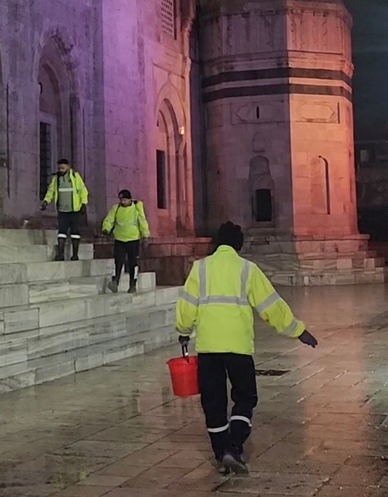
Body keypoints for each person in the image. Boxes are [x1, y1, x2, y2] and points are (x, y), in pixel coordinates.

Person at [175, 222, 318, 475]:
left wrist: (184, 331)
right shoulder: (247, 270)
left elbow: (186, 306)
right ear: (239, 244)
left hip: (208, 347)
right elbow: (271, 305)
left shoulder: (200, 268)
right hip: (238, 347)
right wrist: (297, 330)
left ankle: (220, 453)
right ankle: (234, 447)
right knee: (244, 397)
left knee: (213, 402)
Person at [102, 189, 150, 294]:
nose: (122, 202)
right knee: (118, 261)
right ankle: (115, 282)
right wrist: (106, 228)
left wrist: (145, 236)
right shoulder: (116, 208)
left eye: (124, 200)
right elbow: (109, 219)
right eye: (121, 200)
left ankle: (132, 285)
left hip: (133, 239)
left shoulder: (136, 208)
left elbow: (142, 221)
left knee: (133, 263)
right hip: (119, 239)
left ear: (129, 199)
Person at [41, 159, 89, 261]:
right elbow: (51, 191)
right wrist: (46, 201)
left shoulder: (75, 176)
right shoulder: (56, 179)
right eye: (59, 168)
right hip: (62, 210)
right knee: (61, 232)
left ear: (68, 167)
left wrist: (84, 203)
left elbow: (83, 190)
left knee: (75, 233)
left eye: (63, 168)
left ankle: (75, 255)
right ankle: (60, 254)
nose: (61, 170)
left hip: (74, 210)